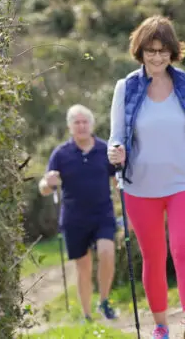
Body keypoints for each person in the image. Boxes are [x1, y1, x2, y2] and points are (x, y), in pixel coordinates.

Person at [107, 15, 185, 339]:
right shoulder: (125, 87)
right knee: (153, 257)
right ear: (140, 51)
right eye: (150, 51)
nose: (157, 57)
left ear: (172, 52)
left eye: (163, 51)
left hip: (184, 180)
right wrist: (116, 151)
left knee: (183, 248)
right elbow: (116, 135)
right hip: (140, 186)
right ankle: (160, 326)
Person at [38, 104, 118, 322]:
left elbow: (118, 181)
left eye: (85, 122)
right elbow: (45, 188)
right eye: (77, 123)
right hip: (74, 218)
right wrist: (48, 182)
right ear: (70, 127)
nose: (81, 126)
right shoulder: (61, 154)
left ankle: (104, 301)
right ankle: (87, 315)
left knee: (107, 253)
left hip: (103, 214)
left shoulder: (105, 149)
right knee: (83, 268)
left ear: (91, 125)